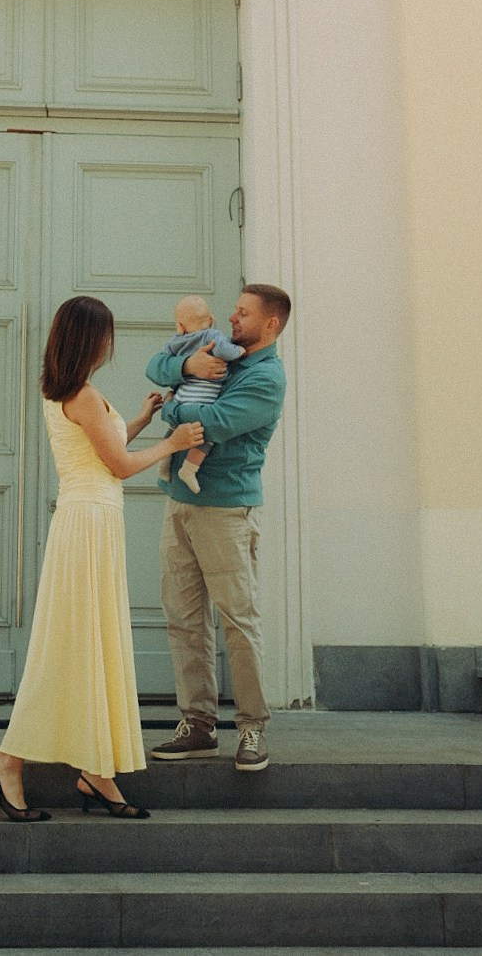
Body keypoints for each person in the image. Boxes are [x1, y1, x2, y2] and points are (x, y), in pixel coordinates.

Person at [0, 295, 196, 822]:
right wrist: (174, 444)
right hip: (88, 524)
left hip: (90, 521)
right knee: (73, 644)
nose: (109, 343)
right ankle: (7, 762)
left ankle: (96, 772)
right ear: (92, 339)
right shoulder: (84, 395)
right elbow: (117, 466)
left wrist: (141, 418)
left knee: (90, 644)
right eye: (105, 335)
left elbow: (104, 451)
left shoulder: (68, 392)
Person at [146, 284, 290, 773]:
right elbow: (160, 366)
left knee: (237, 620)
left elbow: (215, 420)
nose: (232, 318)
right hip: (180, 504)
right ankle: (198, 725)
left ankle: (251, 726)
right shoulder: (210, 350)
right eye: (234, 310)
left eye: (243, 313)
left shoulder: (266, 377)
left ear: (270, 324)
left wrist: (169, 410)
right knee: (183, 618)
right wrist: (186, 368)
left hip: (227, 510)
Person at [155, 295, 244, 494]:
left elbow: (160, 360)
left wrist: (181, 365)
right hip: (203, 398)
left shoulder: (176, 341)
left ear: (180, 326)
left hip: (183, 396)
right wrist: (239, 351)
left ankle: (163, 461)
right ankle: (189, 469)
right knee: (204, 437)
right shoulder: (212, 336)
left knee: (173, 431)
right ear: (211, 320)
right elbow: (225, 351)